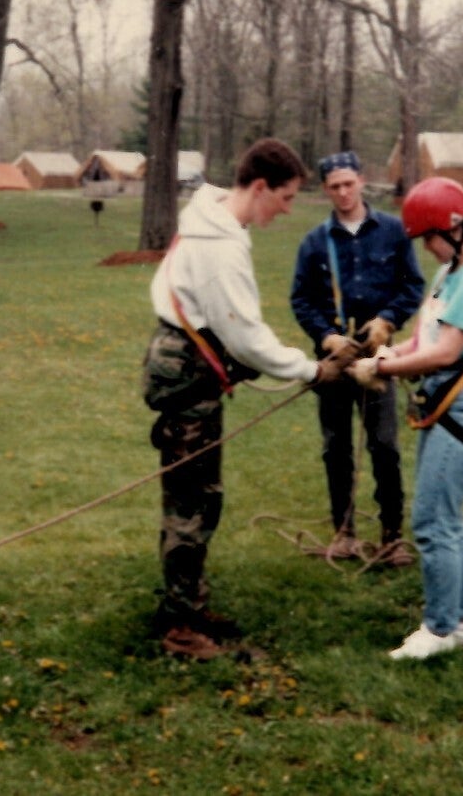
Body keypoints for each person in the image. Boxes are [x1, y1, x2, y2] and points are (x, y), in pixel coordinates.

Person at [142, 138, 357, 660]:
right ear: (259, 187)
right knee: (192, 500)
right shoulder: (219, 245)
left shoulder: (214, 218)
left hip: (188, 363)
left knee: (198, 494)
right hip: (190, 373)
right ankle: (180, 626)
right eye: (285, 197)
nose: (287, 210)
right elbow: (246, 338)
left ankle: (188, 602)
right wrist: (314, 370)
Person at [348, 177, 463, 660]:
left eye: (429, 238)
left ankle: (438, 629)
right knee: (447, 518)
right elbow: (424, 341)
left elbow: (445, 354)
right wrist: (387, 354)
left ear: (455, 228)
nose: (427, 248)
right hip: (446, 403)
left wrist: (382, 370)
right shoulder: (448, 275)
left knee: (431, 521)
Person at [290, 151, 425, 565]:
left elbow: (413, 285)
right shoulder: (315, 242)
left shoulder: (393, 232)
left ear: (362, 181)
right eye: (335, 186)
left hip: (378, 358)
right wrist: (326, 336)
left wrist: (388, 320)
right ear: (326, 189)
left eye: (349, 184)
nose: (344, 192)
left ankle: (391, 536)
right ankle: (344, 533)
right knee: (336, 448)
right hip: (333, 364)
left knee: (384, 445)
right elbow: (301, 298)